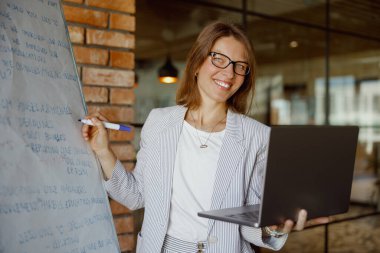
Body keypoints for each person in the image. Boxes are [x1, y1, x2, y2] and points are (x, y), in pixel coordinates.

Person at [82, 21, 329, 253]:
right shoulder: (159, 122)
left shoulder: (257, 135)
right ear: (198, 62)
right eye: (219, 59)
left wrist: (271, 227)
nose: (229, 73)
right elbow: (135, 195)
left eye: (239, 66)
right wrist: (104, 151)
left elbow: (248, 219)